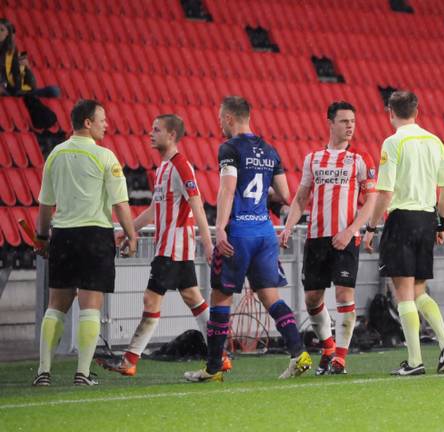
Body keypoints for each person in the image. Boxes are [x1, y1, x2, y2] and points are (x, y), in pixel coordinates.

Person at [184, 96, 311, 382]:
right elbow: (284, 194)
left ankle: (213, 368)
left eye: (220, 119)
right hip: (265, 233)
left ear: (230, 118)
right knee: (270, 296)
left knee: (221, 297)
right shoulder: (269, 150)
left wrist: (220, 228)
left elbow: (227, 190)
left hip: (239, 234)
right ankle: (298, 352)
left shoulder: (229, 148)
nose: (219, 124)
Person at [97, 114, 226, 377]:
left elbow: (197, 206)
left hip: (173, 248)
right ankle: (220, 355)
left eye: (156, 130)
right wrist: (128, 229)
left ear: (172, 135)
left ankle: (130, 359)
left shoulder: (180, 166)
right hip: (170, 247)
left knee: (151, 298)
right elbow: (156, 210)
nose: (150, 133)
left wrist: (207, 243)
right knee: (193, 298)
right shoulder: (165, 168)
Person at [33, 99, 138, 386]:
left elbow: (45, 205)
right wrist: (131, 234)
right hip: (94, 235)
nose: (106, 124)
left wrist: (41, 238)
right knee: (91, 305)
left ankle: (44, 371)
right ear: (88, 123)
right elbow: (120, 203)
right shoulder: (105, 157)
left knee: (56, 305)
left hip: (63, 235)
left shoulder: (55, 154)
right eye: (102, 119)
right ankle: (82, 372)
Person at [362, 90, 444, 376]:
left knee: (403, 292)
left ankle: (415, 361)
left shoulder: (393, 143)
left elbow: (385, 192)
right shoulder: (435, 141)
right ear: (417, 111)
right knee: (418, 291)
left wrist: (371, 226)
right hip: (428, 219)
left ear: (390, 113)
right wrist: (440, 224)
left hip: (402, 219)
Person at [280, 101, 377, 375]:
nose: (350, 127)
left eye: (353, 122)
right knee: (312, 298)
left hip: (346, 237)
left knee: (345, 294)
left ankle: (341, 358)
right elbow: (301, 197)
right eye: (344, 121)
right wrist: (288, 225)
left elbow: (371, 202)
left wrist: (350, 231)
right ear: (330, 123)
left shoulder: (361, 158)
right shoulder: (313, 159)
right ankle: (328, 347)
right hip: (316, 238)